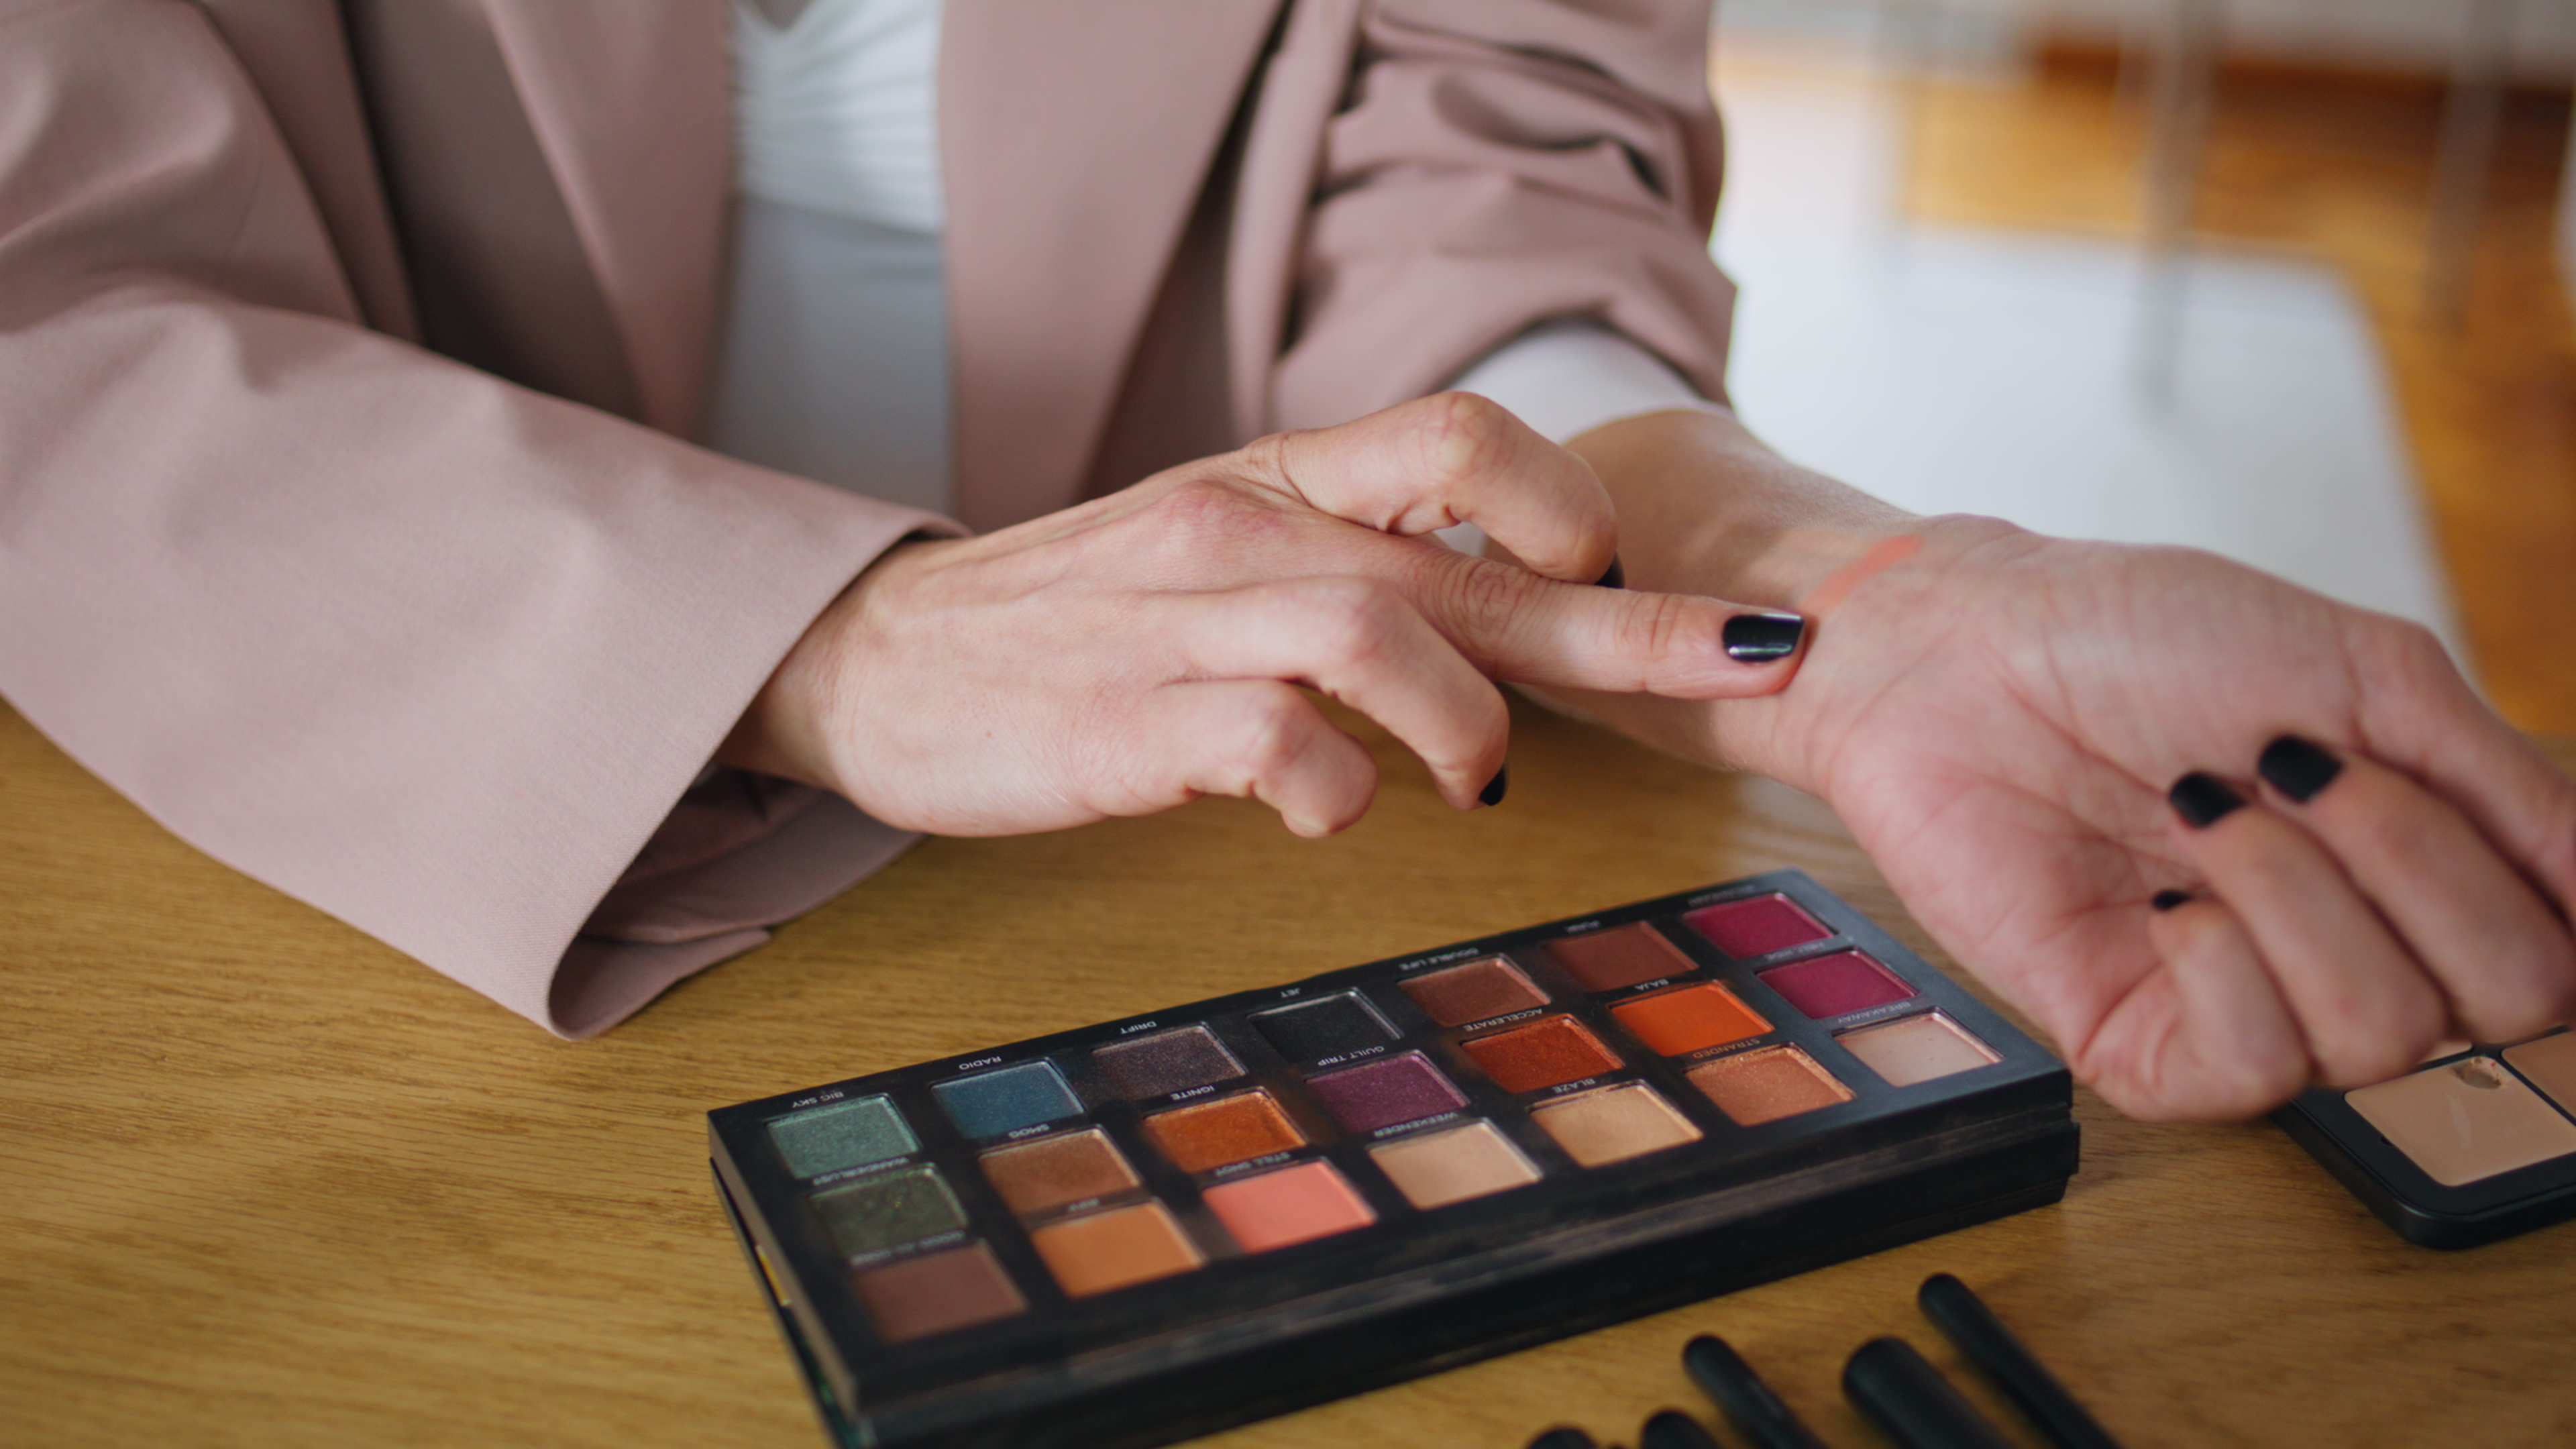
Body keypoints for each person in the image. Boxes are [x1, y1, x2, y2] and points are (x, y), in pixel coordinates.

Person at [1, 0, 2568, 1126]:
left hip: (1249, 852)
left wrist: (1846, 595)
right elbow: (48, 298)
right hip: (325, 825)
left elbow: (1505, 159)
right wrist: (828, 632)